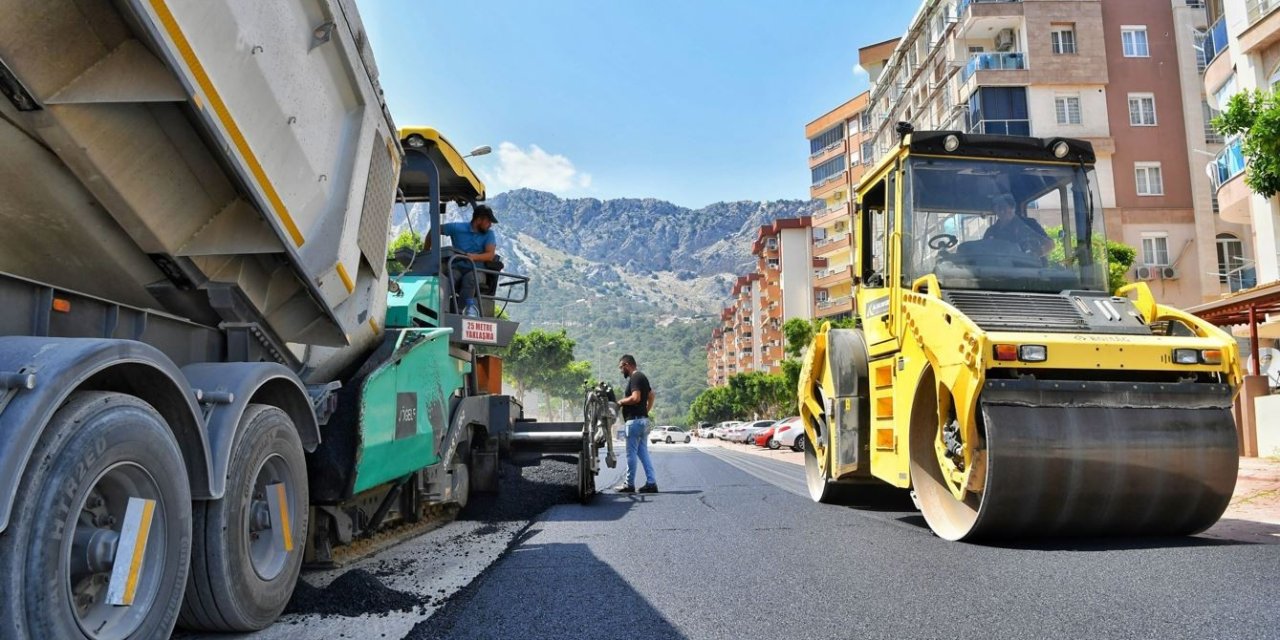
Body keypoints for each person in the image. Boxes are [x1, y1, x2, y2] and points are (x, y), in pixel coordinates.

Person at [425, 204, 499, 316]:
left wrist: (474, 257)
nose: (490, 225)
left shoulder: (489, 235)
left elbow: (490, 255)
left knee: (470, 278)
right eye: (488, 222)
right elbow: (434, 230)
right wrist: (426, 253)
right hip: (457, 267)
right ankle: (438, 311)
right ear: (479, 219)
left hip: (477, 270)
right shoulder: (457, 228)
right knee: (449, 279)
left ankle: (461, 313)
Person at [615, 354, 657, 493]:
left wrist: (620, 402)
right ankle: (651, 483)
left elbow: (635, 398)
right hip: (643, 421)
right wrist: (646, 410)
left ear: (627, 364)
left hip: (634, 422)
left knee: (630, 453)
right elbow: (652, 395)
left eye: (621, 367)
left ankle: (629, 484)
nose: (621, 371)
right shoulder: (642, 377)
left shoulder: (635, 377)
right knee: (643, 452)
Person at [983, 194, 1053, 257]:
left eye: (1004, 207)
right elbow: (983, 251)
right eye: (998, 208)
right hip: (998, 269)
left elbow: (1050, 244)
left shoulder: (1029, 223)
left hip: (1032, 269)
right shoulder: (990, 231)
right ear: (995, 210)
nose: (1001, 211)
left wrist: (1034, 255)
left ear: (1013, 208)